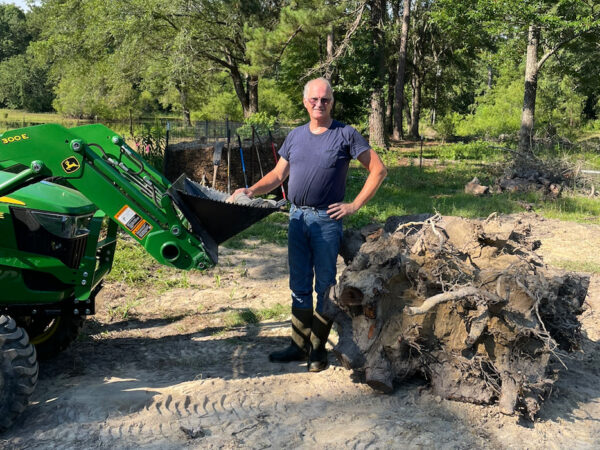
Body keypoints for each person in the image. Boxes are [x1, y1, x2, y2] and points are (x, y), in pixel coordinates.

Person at [231, 77, 387, 372]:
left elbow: (378, 170)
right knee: (298, 284)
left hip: (326, 220)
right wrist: (251, 190)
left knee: (325, 286)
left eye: (325, 100)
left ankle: (318, 351)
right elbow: (278, 176)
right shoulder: (295, 137)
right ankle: (298, 346)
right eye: (314, 99)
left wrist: (353, 205)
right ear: (305, 102)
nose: (319, 104)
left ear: (332, 102)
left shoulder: (346, 135)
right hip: (297, 218)